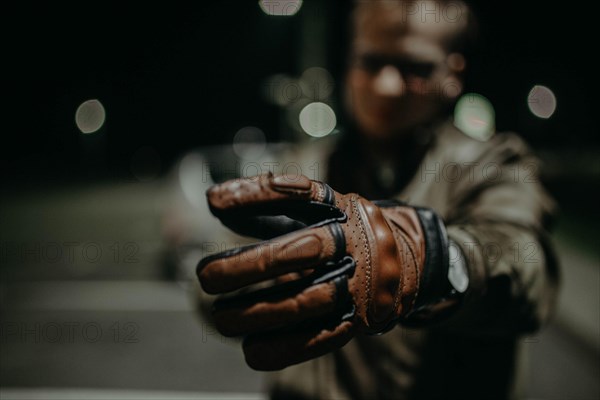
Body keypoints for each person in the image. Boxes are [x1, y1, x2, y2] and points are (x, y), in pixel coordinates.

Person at [194, 1, 559, 399]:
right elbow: (215, 285)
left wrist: (434, 259)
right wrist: (280, 276)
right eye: (371, 61)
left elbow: (525, 270)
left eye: (413, 67)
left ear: (452, 74)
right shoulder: (302, 167)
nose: (387, 85)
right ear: (349, 63)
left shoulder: (492, 163)